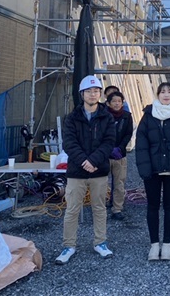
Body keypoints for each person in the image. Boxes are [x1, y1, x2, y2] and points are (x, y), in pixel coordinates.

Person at [55, 75, 115, 265]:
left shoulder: (107, 117)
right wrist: (84, 161)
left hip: (99, 170)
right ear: (82, 94)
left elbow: (109, 142)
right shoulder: (72, 118)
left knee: (99, 208)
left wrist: (94, 160)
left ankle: (100, 242)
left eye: (96, 91)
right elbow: (69, 143)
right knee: (72, 209)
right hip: (77, 172)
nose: (92, 94)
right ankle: (69, 245)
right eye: (88, 91)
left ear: (100, 94)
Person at [136, 82, 170, 261]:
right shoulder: (148, 115)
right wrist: (144, 169)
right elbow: (141, 143)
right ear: (157, 95)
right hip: (152, 169)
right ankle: (154, 244)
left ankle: (166, 244)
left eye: (169, 92)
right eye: (162, 92)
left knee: (169, 205)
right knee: (152, 206)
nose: (166, 95)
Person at [105, 91, 134, 221]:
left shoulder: (127, 116)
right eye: (114, 101)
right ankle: (100, 207)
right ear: (108, 103)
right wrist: (108, 148)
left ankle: (117, 208)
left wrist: (121, 148)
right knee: (101, 183)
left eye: (119, 101)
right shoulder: (103, 116)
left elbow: (128, 134)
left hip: (120, 155)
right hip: (104, 155)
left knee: (119, 183)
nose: (117, 103)